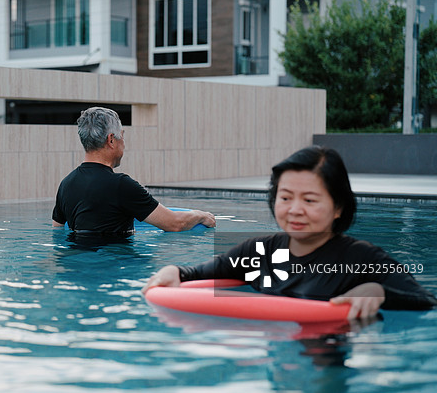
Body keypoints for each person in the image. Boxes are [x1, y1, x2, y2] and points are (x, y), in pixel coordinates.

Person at [143, 146, 436, 319]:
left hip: (334, 351)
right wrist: (175, 271)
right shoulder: (259, 252)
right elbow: (204, 271)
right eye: (285, 198)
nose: (295, 209)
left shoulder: (362, 258)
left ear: (338, 207)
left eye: (309, 200)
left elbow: (425, 302)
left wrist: (379, 292)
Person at [51, 106, 215, 236]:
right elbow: (174, 223)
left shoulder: (66, 184)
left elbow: (58, 232)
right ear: (111, 140)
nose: (124, 144)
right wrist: (200, 215)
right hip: (116, 269)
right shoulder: (121, 185)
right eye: (122, 136)